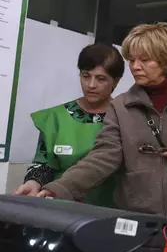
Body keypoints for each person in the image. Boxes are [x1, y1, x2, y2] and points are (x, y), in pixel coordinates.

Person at [32, 23, 167, 217]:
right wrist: (59, 188)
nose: (135, 67)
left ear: (166, 60)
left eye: (145, 60)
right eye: (131, 60)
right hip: (136, 214)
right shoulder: (121, 107)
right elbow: (103, 156)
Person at [14, 43, 124, 207]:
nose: (91, 85)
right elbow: (43, 164)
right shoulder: (55, 118)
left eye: (101, 79)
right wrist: (33, 182)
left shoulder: (125, 118)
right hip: (59, 207)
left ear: (115, 81)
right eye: (86, 76)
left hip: (108, 211)